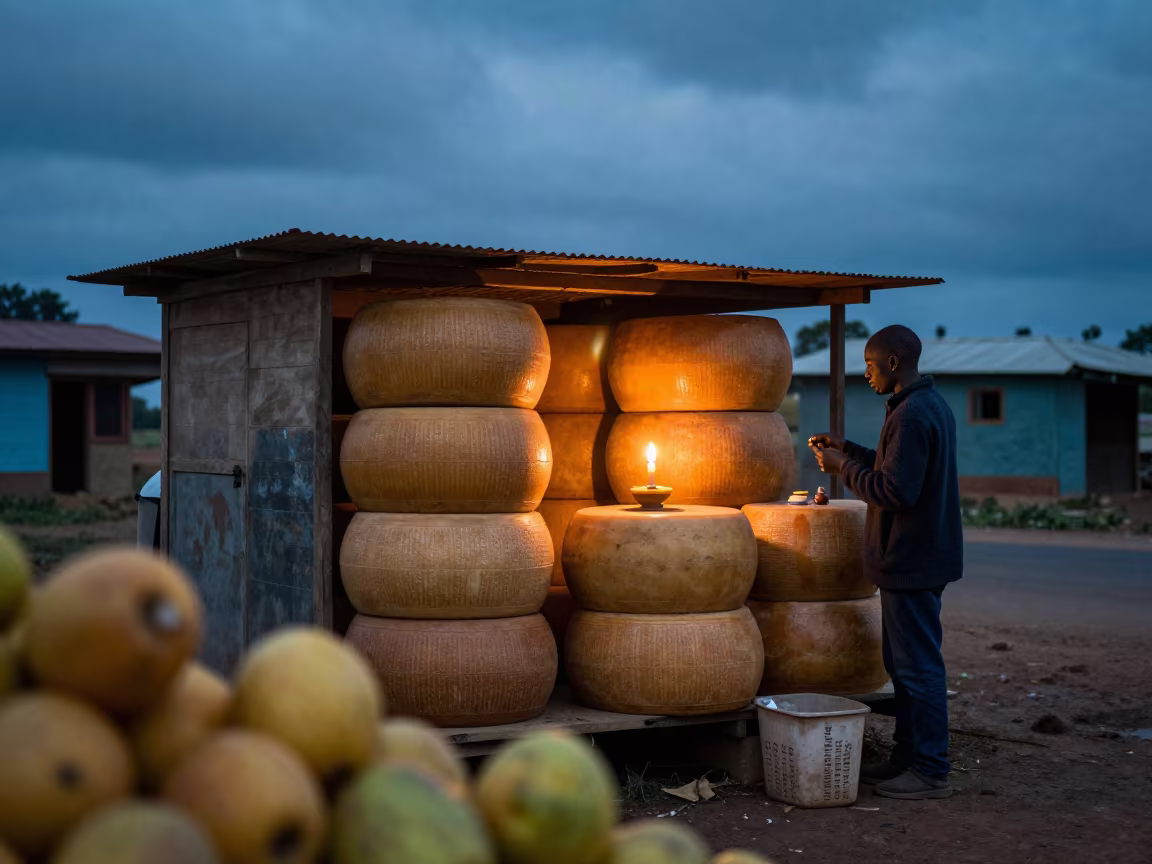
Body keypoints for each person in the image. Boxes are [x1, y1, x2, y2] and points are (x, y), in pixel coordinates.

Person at [808, 324, 963, 800]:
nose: (867, 374)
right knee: (902, 664)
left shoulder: (914, 414)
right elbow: (894, 466)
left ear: (893, 363)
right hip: (917, 558)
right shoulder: (921, 406)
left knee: (918, 667)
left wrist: (843, 471)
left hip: (912, 560)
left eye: (871, 366)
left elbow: (896, 490)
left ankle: (931, 769)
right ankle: (906, 758)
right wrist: (849, 451)